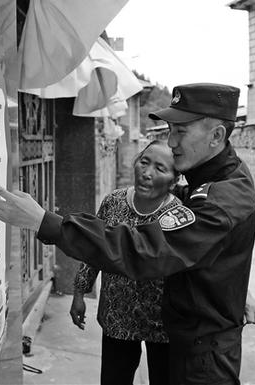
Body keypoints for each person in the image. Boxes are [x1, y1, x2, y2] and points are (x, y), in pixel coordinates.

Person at [0, 83, 255, 384]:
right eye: (170, 130)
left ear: (217, 136)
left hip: (201, 357)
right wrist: (235, 290)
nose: (172, 142)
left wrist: (44, 222)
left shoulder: (221, 199)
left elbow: (145, 249)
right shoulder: (209, 180)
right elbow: (214, 246)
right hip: (169, 333)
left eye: (181, 131)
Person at [71, 140, 179, 385]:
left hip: (161, 321)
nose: (147, 173)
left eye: (160, 168)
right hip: (117, 316)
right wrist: (79, 292)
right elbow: (95, 249)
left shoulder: (177, 215)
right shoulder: (114, 201)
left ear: (174, 180)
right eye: (144, 162)